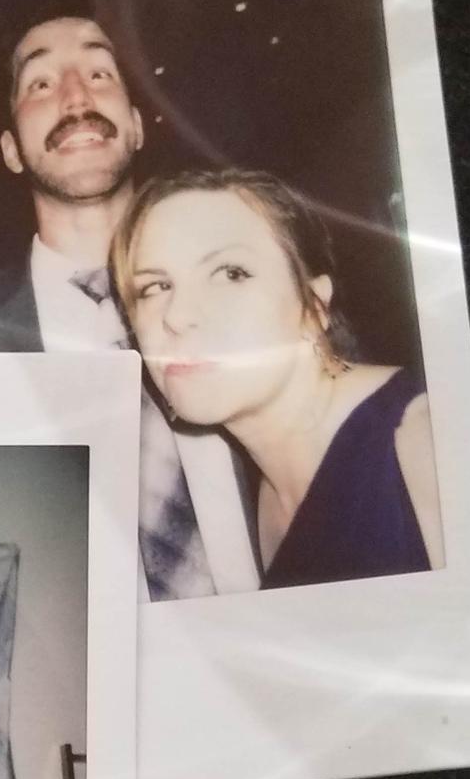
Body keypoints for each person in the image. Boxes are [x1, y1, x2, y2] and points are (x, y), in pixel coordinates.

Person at [0, 13, 248, 601]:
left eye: (99, 73)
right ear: (12, 150)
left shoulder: (251, 283)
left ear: (136, 126)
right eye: (41, 83)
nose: (75, 96)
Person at [110, 168, 443, 588]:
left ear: (314, 306)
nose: (176, 316)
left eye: (230, 273)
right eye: (154, 287)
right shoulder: (259, 499)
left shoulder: (426, 443)